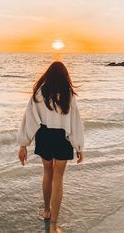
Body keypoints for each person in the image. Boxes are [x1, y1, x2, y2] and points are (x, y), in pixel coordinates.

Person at [16, 61, 84, 233]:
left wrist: (23, 144)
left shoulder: (39, 93)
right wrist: (79, 147)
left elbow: (29, 119)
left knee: (47, 173)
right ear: (64, 77)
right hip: (62, 137)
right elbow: (75, 123)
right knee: (58, 177)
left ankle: (47, 210)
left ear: (48, 75)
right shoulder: (68, 94)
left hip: (44, 136)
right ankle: (53, 224)